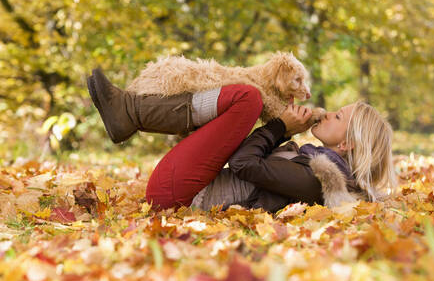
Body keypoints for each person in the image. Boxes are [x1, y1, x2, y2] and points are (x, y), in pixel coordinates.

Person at [87, 68, 397, 212]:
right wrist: (282, 130)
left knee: (248, 99)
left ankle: (130, 113)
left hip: (181, 197)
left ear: (347, 145)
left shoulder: (320, 177)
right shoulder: (314, 164)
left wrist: (279, 127)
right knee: (244, 98)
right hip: (183, 187)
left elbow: (242, 163)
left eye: (338, 118)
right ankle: (130, 111)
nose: (328, 114)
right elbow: (245, 160)